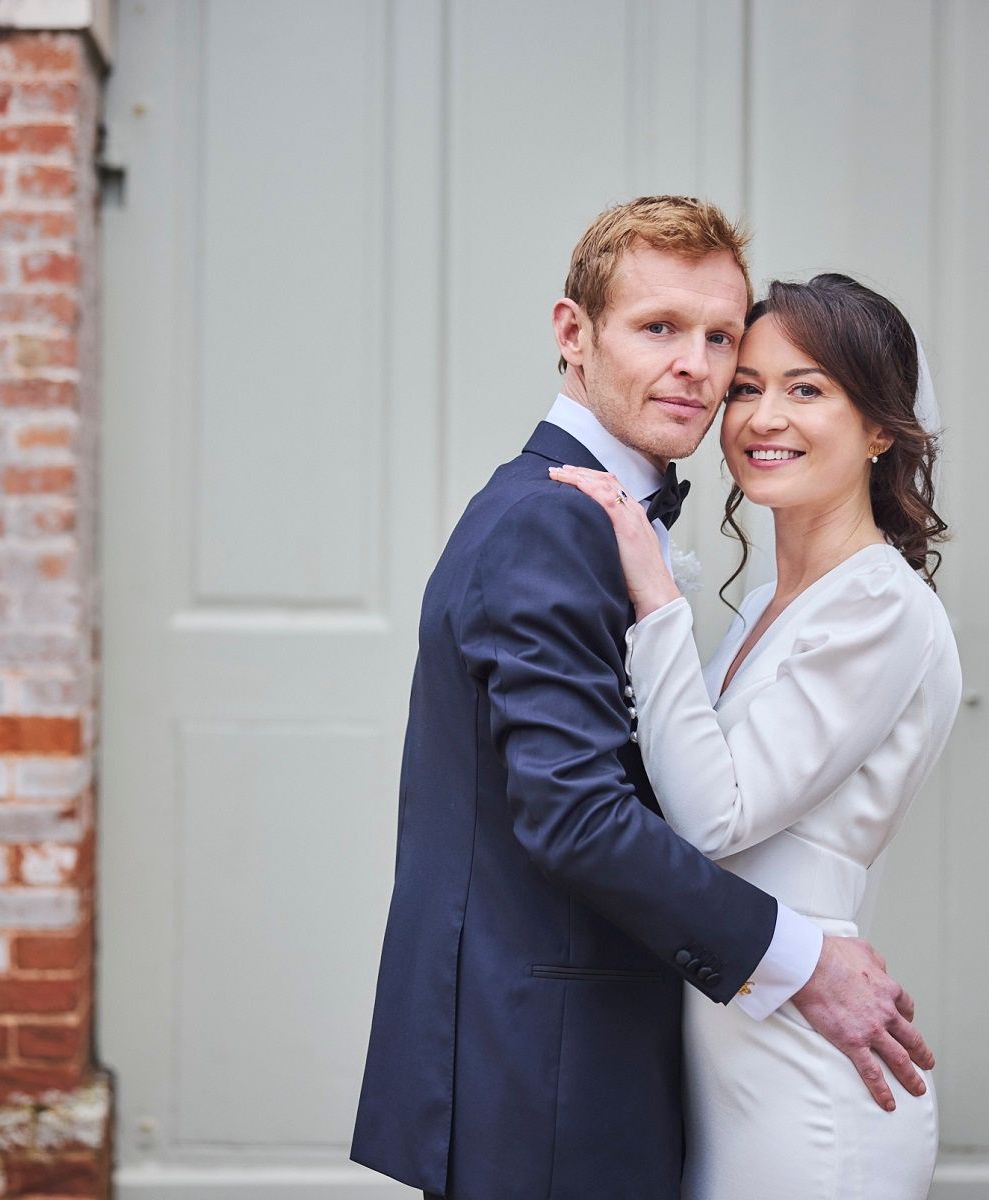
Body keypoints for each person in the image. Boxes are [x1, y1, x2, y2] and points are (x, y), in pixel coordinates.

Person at [350, 198, 934, 1200]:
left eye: (719, 338)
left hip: (603, 1060)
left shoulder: (610, 520)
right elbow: (577, 815)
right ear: (573, 335)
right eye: (659, 328)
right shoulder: (553, 522)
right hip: (544, 1069)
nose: (698, 369)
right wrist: (802, 958)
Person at [550, 271, 959, 1198]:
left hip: (805, 1079)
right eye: (746, 387)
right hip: (725, 1053)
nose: (762, 417)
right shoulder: (770, 606)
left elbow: (712, 819)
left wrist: (654, 598)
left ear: (881, 427)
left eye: (806, 389)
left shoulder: (878, 605)